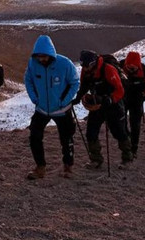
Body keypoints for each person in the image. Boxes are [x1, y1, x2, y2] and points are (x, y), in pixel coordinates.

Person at [24, 35, 80, 179]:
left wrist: (65, 100)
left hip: (62, 109)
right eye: (39, 56)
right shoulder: (33, 63)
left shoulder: (64, 63)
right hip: (42, 109)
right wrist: (34, 98)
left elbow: (75, 83)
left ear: (50, 53)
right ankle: (40, 167)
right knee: (34, 137)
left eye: (44, 56)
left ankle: (68, 166)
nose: (41, 59)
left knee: (66, 138)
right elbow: (28, 80)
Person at [76, 51, 133, 168]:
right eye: (82, 65)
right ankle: (96, 159)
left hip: (114, 104)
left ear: (93, 63)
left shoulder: (108, 69)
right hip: (97, 104)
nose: (84, 68)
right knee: (91, 132)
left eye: (86, 65)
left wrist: (109, 99)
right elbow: (84, 86)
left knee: (119, 132)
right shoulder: (86, 71)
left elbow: (120, 90)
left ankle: (127, 157)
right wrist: (78, 98)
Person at [121, 51, 145, 157]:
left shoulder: (143, 69)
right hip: (123, 98)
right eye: (128, 66)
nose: (130, 69)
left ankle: (134, 147)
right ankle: (127, 139)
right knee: (121, 122)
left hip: (137, 100)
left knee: (135, 124)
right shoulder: (120, 67)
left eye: (133, 67)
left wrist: (144, 95)